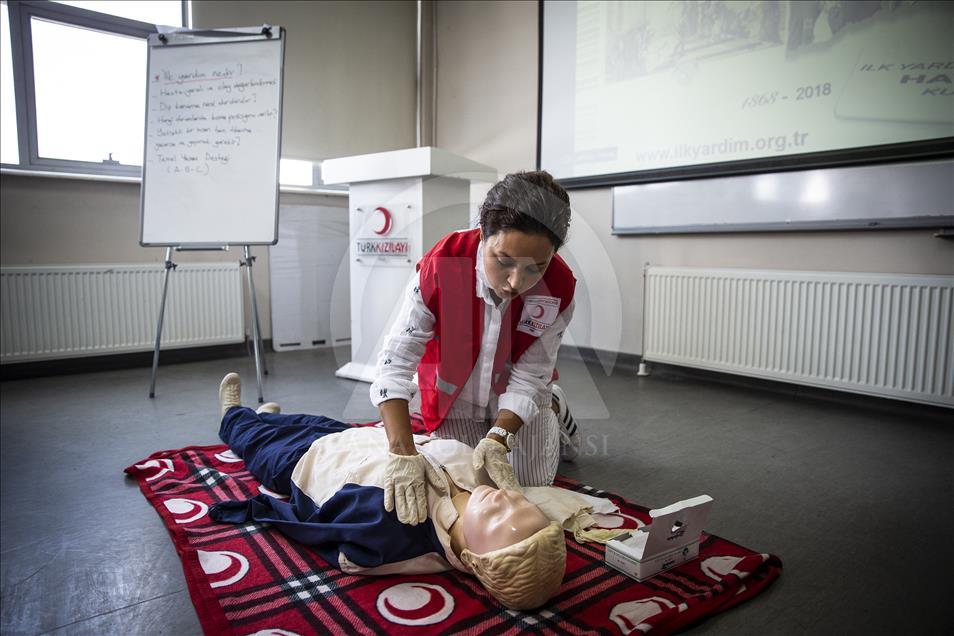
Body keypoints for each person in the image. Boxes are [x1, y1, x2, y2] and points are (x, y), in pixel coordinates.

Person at [210, 373, 567, 610]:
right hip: (366, 437)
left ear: (474, 560)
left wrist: (261, 509)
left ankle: (233, 415)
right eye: (522, 504)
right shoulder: (481, 486)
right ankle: (266, 417)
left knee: (256, 442)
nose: (508, 500)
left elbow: (327, 536)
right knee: (306, 421)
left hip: (307, 463)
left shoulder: (392, 536)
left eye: (500, 517)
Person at [371, 170, 583, 527]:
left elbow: (530, 375)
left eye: (536, 267)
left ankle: (551, 404)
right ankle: (551, 402)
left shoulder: (559, 288)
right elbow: (395, 362)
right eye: (503, 261)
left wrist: (500, 436)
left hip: (516, 389)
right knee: (463, 489)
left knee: (525, 496)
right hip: (456, 397)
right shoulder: (440, 266)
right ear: (483, 236)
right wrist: (402, 452)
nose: (516, 282)